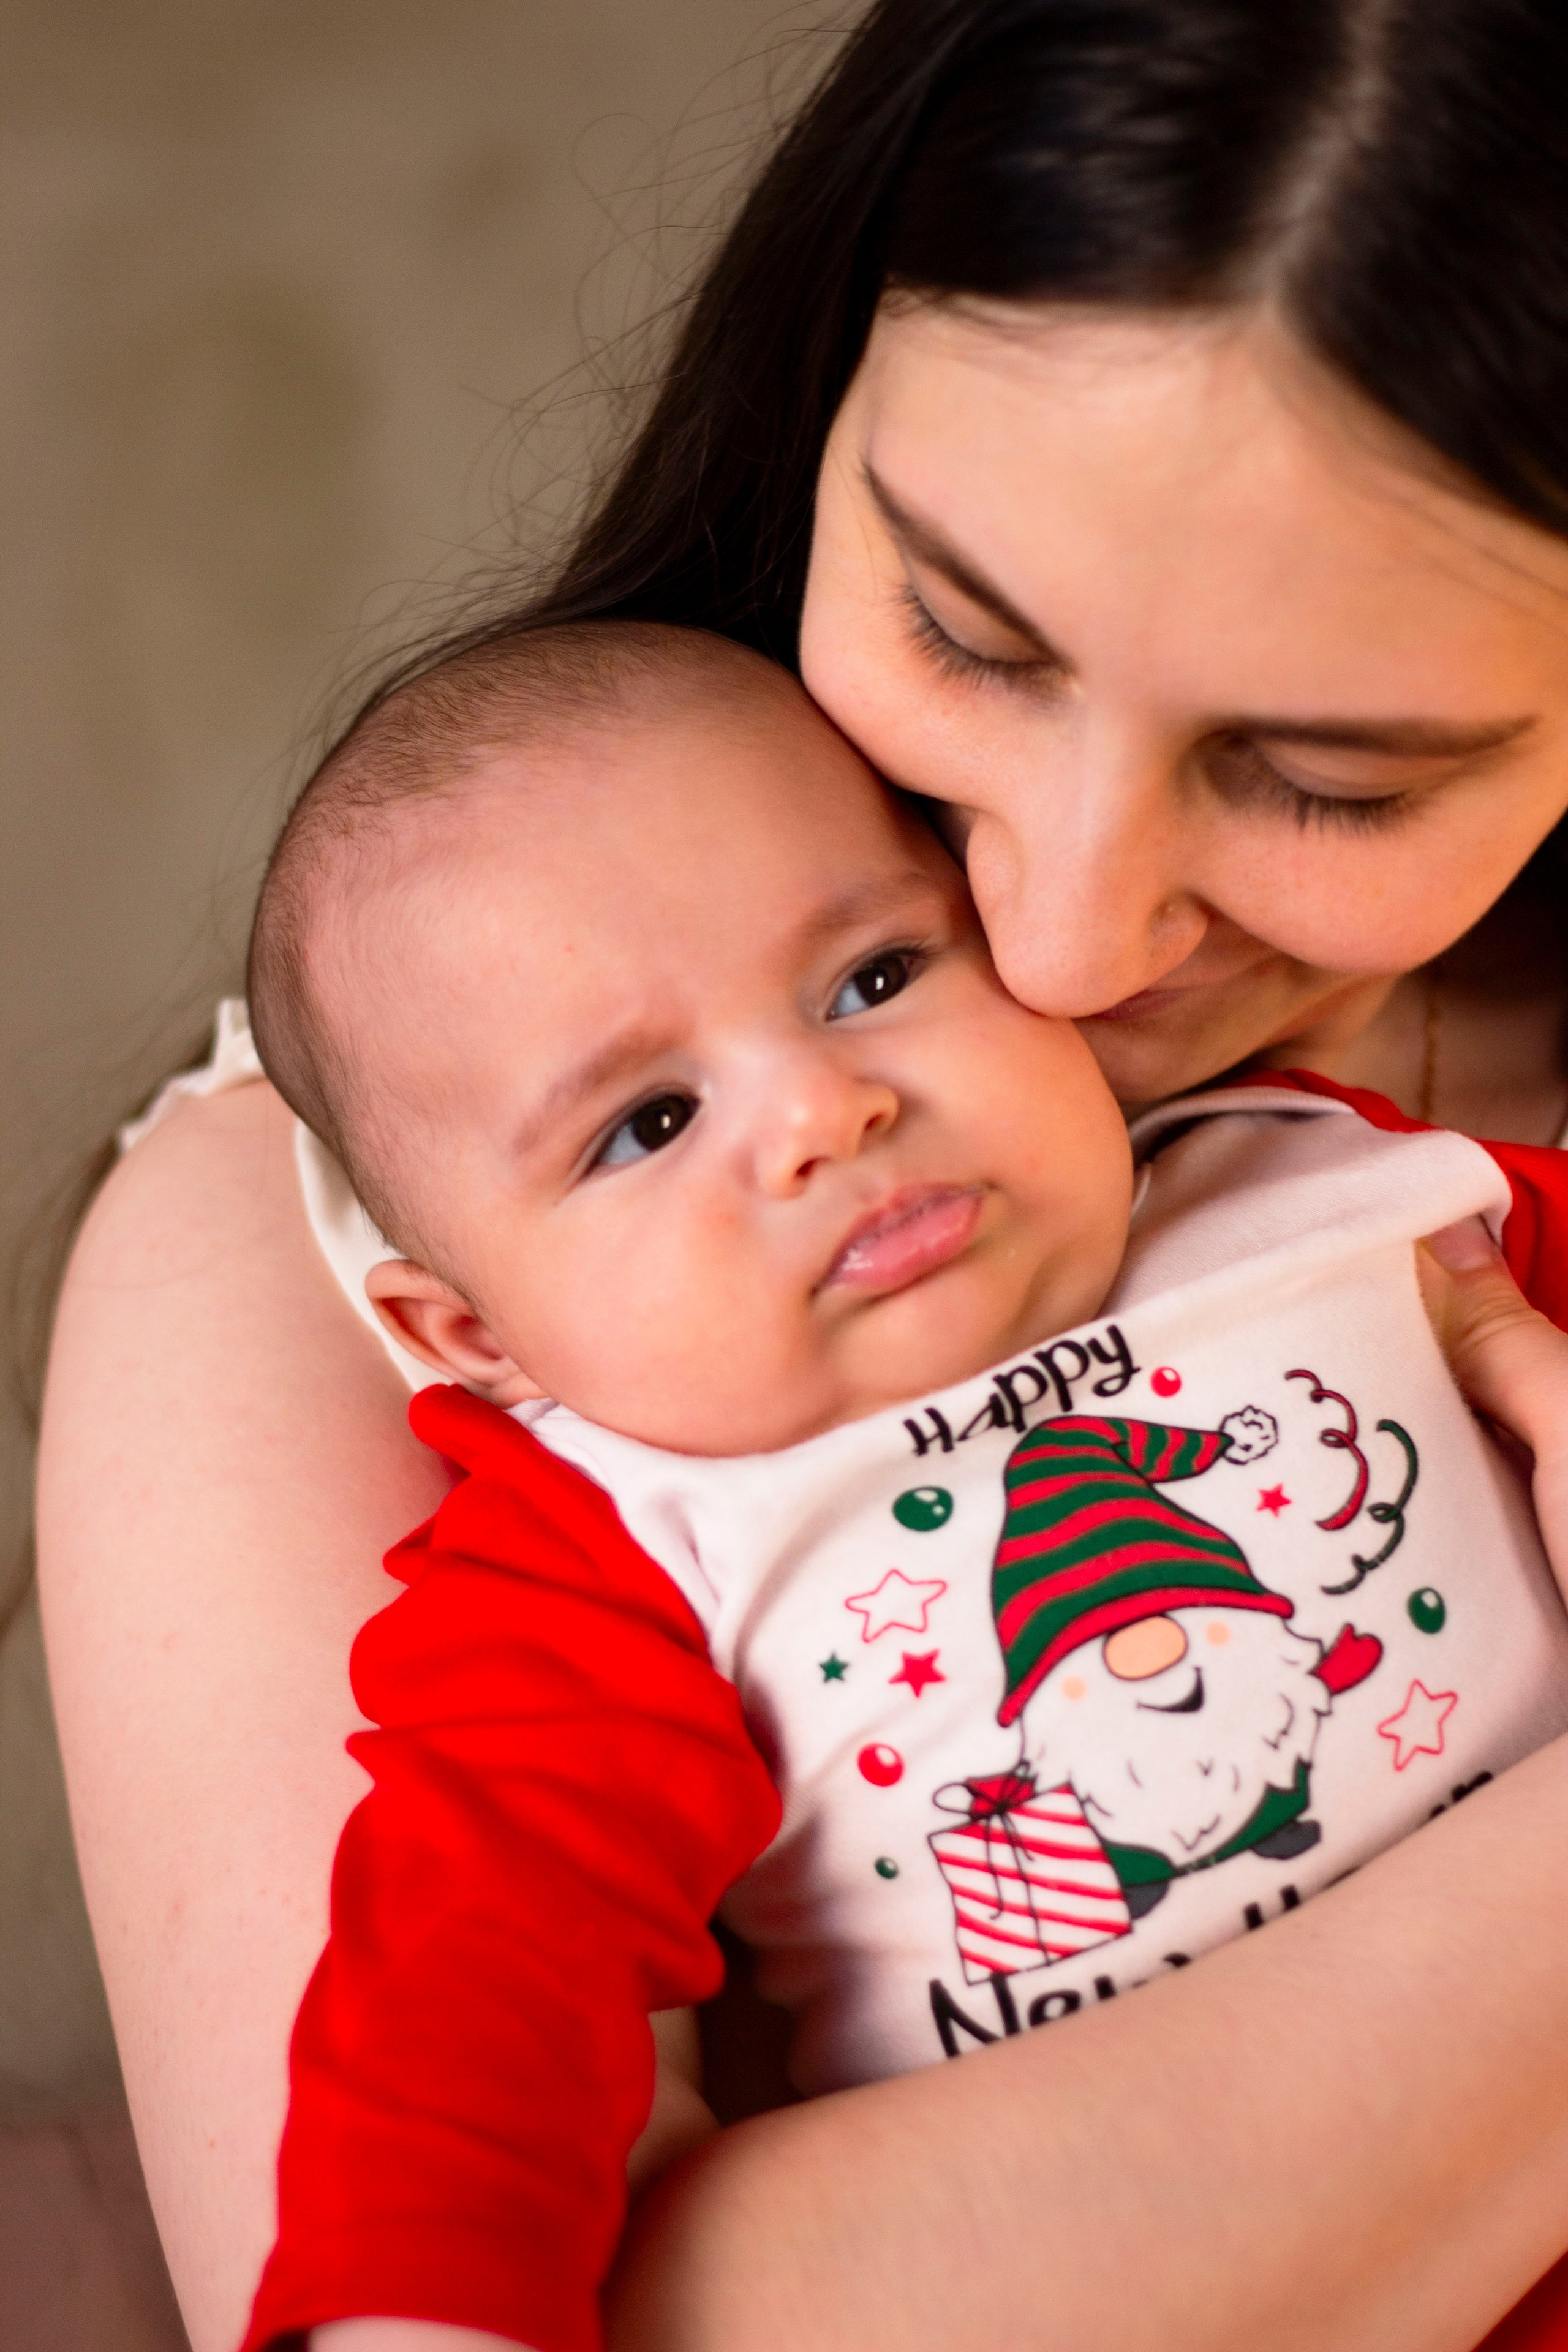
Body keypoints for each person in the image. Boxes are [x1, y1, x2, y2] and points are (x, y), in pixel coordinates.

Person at [34, 2, 1568, 2348]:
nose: (1059, 943)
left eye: (1332, 782)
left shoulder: (1359, 1195)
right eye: (963, 631)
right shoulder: (442, 1346)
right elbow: (471, 2116)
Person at [236, 617, 1568, 2352]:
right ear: (475, 1334)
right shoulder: (620, 1540)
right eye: (649, 1122)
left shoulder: (1340, 1184)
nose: (825, 1111)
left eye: (872, 978)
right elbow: (477, 1974)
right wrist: (424, 2315)